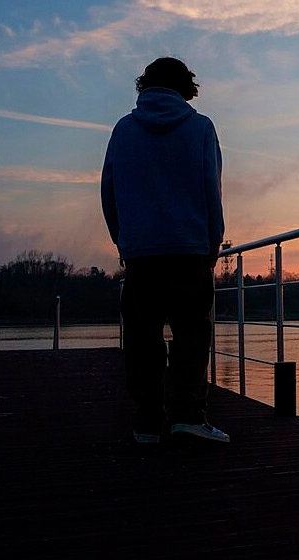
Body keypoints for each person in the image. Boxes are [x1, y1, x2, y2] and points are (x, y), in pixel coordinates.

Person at [100, 57, 228, 444]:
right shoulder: (200, 127)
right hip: (189, 249)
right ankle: (188, 416)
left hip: (141, 252)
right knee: (192, 334)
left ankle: (146, 423)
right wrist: (213, 241)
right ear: (186, 87)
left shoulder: (123, 130)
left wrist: (123, 239)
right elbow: (211, 189)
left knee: (142, 338)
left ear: (144, 86)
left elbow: (109, 191)